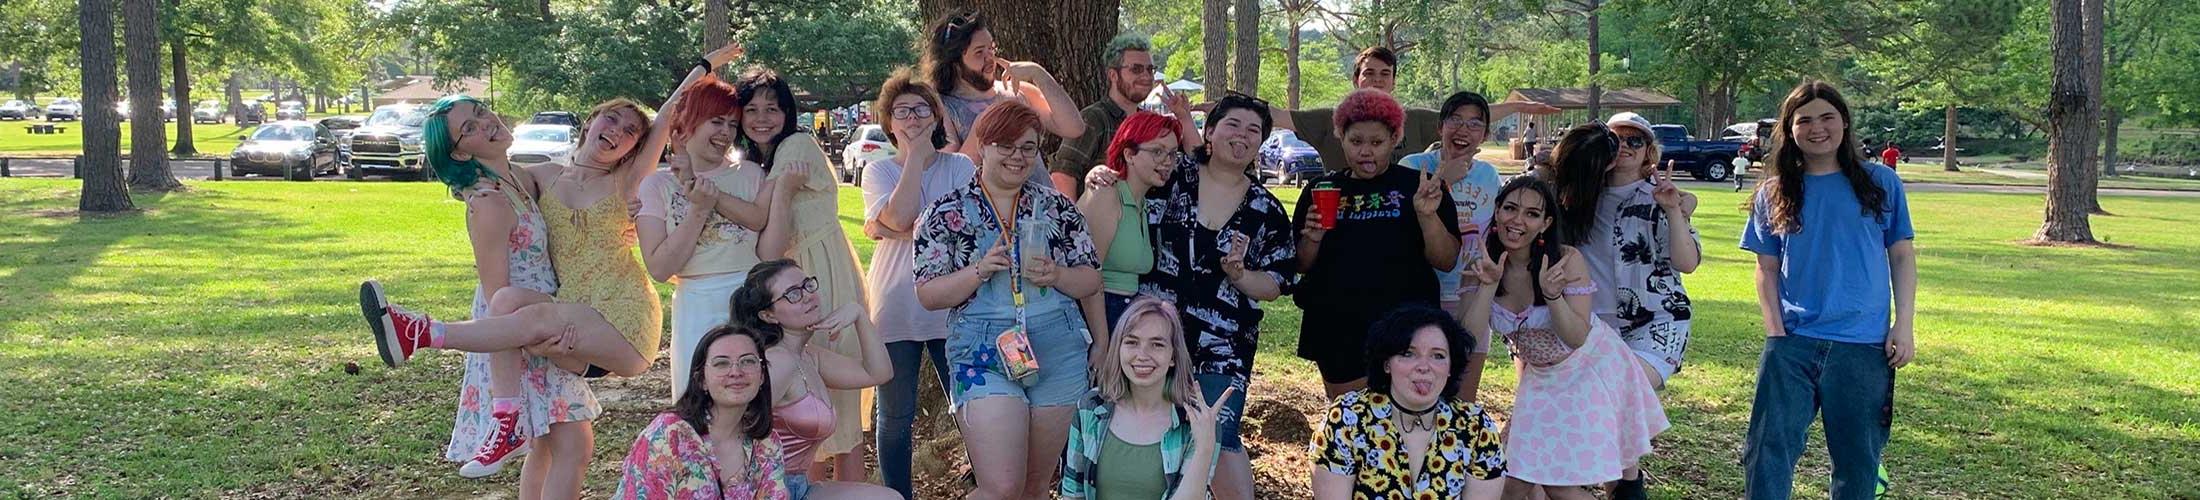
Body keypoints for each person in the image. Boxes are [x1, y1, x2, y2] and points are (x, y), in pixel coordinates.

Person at [360, 62, 727, 477]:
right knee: (506, 302)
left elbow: (664, 120)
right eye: (611, 119)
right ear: (589, 122)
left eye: (630, 132)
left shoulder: (627, 183)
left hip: (622, 315)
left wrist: (703, 67)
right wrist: (465, 187)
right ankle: (506, 415)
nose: (618, 132)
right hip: (570, 310)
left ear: (633, 149)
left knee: (560, 421)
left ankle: (423, 333)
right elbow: (491, 176)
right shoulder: (543, 177)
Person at [377, 94, 601, 493]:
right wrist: (537, 335)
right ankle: (424, 336)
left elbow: (586, 172)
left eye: (481, 112)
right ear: (460, 154)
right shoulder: (489, 201)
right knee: (572, 445)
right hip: (519, 333)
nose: (486, 123)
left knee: (549, 448)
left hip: (540, 315)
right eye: (470, 128)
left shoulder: (519, 177)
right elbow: (498, 294)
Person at [1088, 92, 1297, 500]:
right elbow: (1125, 177)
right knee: (1143, 426)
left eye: (1254, 130)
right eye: (1232, 125)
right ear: (1210, 132)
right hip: (1151, 335)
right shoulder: (1173, 173)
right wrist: (1100, 174)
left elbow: (1277, 282)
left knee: (1219, 434)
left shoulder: (1266, 208)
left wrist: (1241, 275)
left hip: (1224, 344)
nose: (1242, 136)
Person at [913, 101, 1101, 500]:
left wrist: (1058, 275)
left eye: (1028, 148)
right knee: (1002, 487)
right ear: (983, 145)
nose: (1018, 156)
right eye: (1006, 145)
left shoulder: (1056, 207)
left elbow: (1091, 279)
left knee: (1034, 486)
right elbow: (928, 294)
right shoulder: (945, 212)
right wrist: (978, 271)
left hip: (1058, 345)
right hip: (982, 348)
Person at [1740, 80, 1916, 500]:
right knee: (1767, 451)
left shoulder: (1880, 183)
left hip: (1863, 345)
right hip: (1793, 343)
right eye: (1804, 120)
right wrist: (1775, 330)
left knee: (1857, 461)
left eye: (1827, 117)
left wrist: (1903, 324)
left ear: (1844, 123)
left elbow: (1902, 256)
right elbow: (1765, 267)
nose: (1817, 128)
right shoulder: (1774, 191)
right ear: (1790, 129)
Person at [1472, 135, 1670, 499]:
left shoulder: (1567, 260)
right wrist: (1487, 285)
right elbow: (1469, 337)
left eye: (1532, 214)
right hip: (1542, 376)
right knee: (1512, 478)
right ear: (1496, 211)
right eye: (1510, 208)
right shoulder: (1488, 260)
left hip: (1590, 367)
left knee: (1557, 485)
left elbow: (1576, 337)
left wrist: (1552, 297)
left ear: (1546, 223)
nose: (1518, 221)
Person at [734, 66, 880, 480]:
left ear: (789, 113)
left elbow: (768, 246)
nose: (763, 117)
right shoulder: (761, 162)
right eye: (752, 109)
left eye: (773, 108)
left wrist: (710, 195)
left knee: (836, 402)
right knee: (806, 393)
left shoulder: (796, 145)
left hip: (817, 276)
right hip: (797, 279)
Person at [1547, 113, 1702, 500]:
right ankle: (1624, 486)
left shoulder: (1660, 196)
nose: (1626, 147)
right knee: (1613, 420)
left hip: (1655, 325)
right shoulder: (1579, 195)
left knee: (1610, 394)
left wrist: (1673, 209)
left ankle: (1622, 483)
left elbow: (1687, 262)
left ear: (1650, 152)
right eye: (1617, 140)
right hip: (1591, 328)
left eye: (1637, 141)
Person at [1292, 89, 1459, 398]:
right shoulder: (1322, 189)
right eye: (1355, 141)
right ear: (1340, 136)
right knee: (1349, 419)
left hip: (1406, 325)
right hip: (1337, 325)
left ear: (1395, 138)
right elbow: (1302, 265)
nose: (1366, 151)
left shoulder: (1419, 187)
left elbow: (1446, 259)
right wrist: (1312, 239)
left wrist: (1427, 216)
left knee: (1405, 417)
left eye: (1377, 142)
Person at [859, 69, 975, 500]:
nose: (912, 119)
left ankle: (985, 483)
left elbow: (961, 228)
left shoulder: (960, 166)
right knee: (895, 415)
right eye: (901, 111)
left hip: (954, 303)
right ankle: (897, 495)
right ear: (889, 123)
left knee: (970, 405)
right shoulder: (877, 173)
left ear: (936, 116)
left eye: (921, 109)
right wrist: (913, 162)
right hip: (895, 303)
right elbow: (902, 217)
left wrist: (900, 225)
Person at [639, 69, 787, 400]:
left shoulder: (749, 174)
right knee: (700, 404)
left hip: (750, 300)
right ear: (688, 123)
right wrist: (699, 210)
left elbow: (770, 249)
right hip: (696, 302)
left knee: (756, 402)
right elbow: (660, 268)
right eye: (716, 122)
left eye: (732, 124)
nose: (726, 133)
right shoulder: (657, 186)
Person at [730, 260, 900, 500]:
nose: (808, 296)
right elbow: (732, 431)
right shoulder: (777, 362)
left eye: (807, 285)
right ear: (768, 315)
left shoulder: (808, 356)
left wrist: (858, 314)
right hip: (768, 491)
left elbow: (879, 373)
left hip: (799, 486)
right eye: (793, 294)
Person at [1309, 305, 1507, 500]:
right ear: (1386, 363)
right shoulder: (1346, 419)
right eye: (1408, 353)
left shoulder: (1477, 428)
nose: (1424, 367)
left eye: (1438, 356)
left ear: (1450, 367)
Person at [1263, 47, 1554, 169]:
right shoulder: (1329, 119)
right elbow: (1274, 115)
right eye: (1369, 73)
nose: (1376, 80)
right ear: (1356, 79)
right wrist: (1226, 109)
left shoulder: (1413, 120)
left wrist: (1517, 105)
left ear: (1393, 81)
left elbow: (1467, 115)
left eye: (1384, 74)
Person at [1058, 296, 1233, 500]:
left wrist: (1204, 447)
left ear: (1173, 356)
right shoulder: (1091, 406)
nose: (1142, 355)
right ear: (1119, 348)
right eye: (1132, 342)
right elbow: (1073, 493)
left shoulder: (1198, 421)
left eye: (1157, 345)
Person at [1397, 91, 1505, 402]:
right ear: (1440, 127)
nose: (1463, 130)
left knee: (1461, 400)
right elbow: (1404, 223)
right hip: (1421, 293)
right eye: (1455, 120)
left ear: (1484, 135)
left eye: (1474, 124)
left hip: (1470, 294)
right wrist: (1443, 177)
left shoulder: (1489, 174)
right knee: (1417, 394)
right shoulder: (1413, 165)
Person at [614, 325, 790, 499]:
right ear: (701, 380)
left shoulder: (766, 443)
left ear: (762, 377)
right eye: (722, 363)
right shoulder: (668, 436)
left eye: (748, 361)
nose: (736, 372)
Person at [1047, 33, 1199, 198]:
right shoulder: (1095, 118)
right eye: (1136, 69)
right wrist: (1075, 222)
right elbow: (1062, 175)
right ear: (1113, 75)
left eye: (1150, 69)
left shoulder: (1148, 121)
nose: (1147, 76)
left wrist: (1185, 118)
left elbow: (1197, 163)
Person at [919, 10, 1085, 159]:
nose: (990, 58)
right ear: (954, 62)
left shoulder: (1018, 90)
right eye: (979, 52)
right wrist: (984, 125)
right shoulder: (942, 107)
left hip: (1038, 192)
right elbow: (948, 175)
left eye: (991, 48)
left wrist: (1038, 73)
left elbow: (1074, 128)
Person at [1072, 111, 1179, 341]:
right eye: (1157, 151)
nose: (1167, 161)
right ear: (1129, 154)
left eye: (1172, 154)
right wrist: (1101, 342)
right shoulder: (1107, 194)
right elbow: (1088, 275)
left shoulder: (1143, 204)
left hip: (1127, 317)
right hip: (1097, 319)